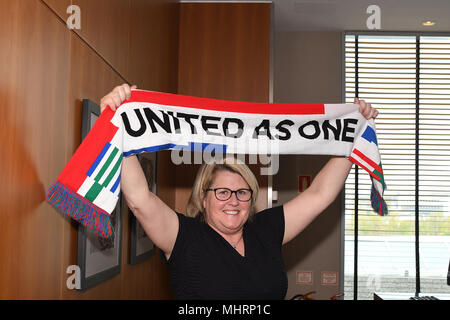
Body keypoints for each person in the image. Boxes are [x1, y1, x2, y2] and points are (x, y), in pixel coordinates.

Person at [100, 84, 379, 299]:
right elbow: (138, 199)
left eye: (242, 192)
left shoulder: (266, 229)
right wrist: (115, 122)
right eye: (222, 192)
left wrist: (351, 139)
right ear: (204, 198)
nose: (233, 201)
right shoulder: (182, 237)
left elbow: (320, 194)